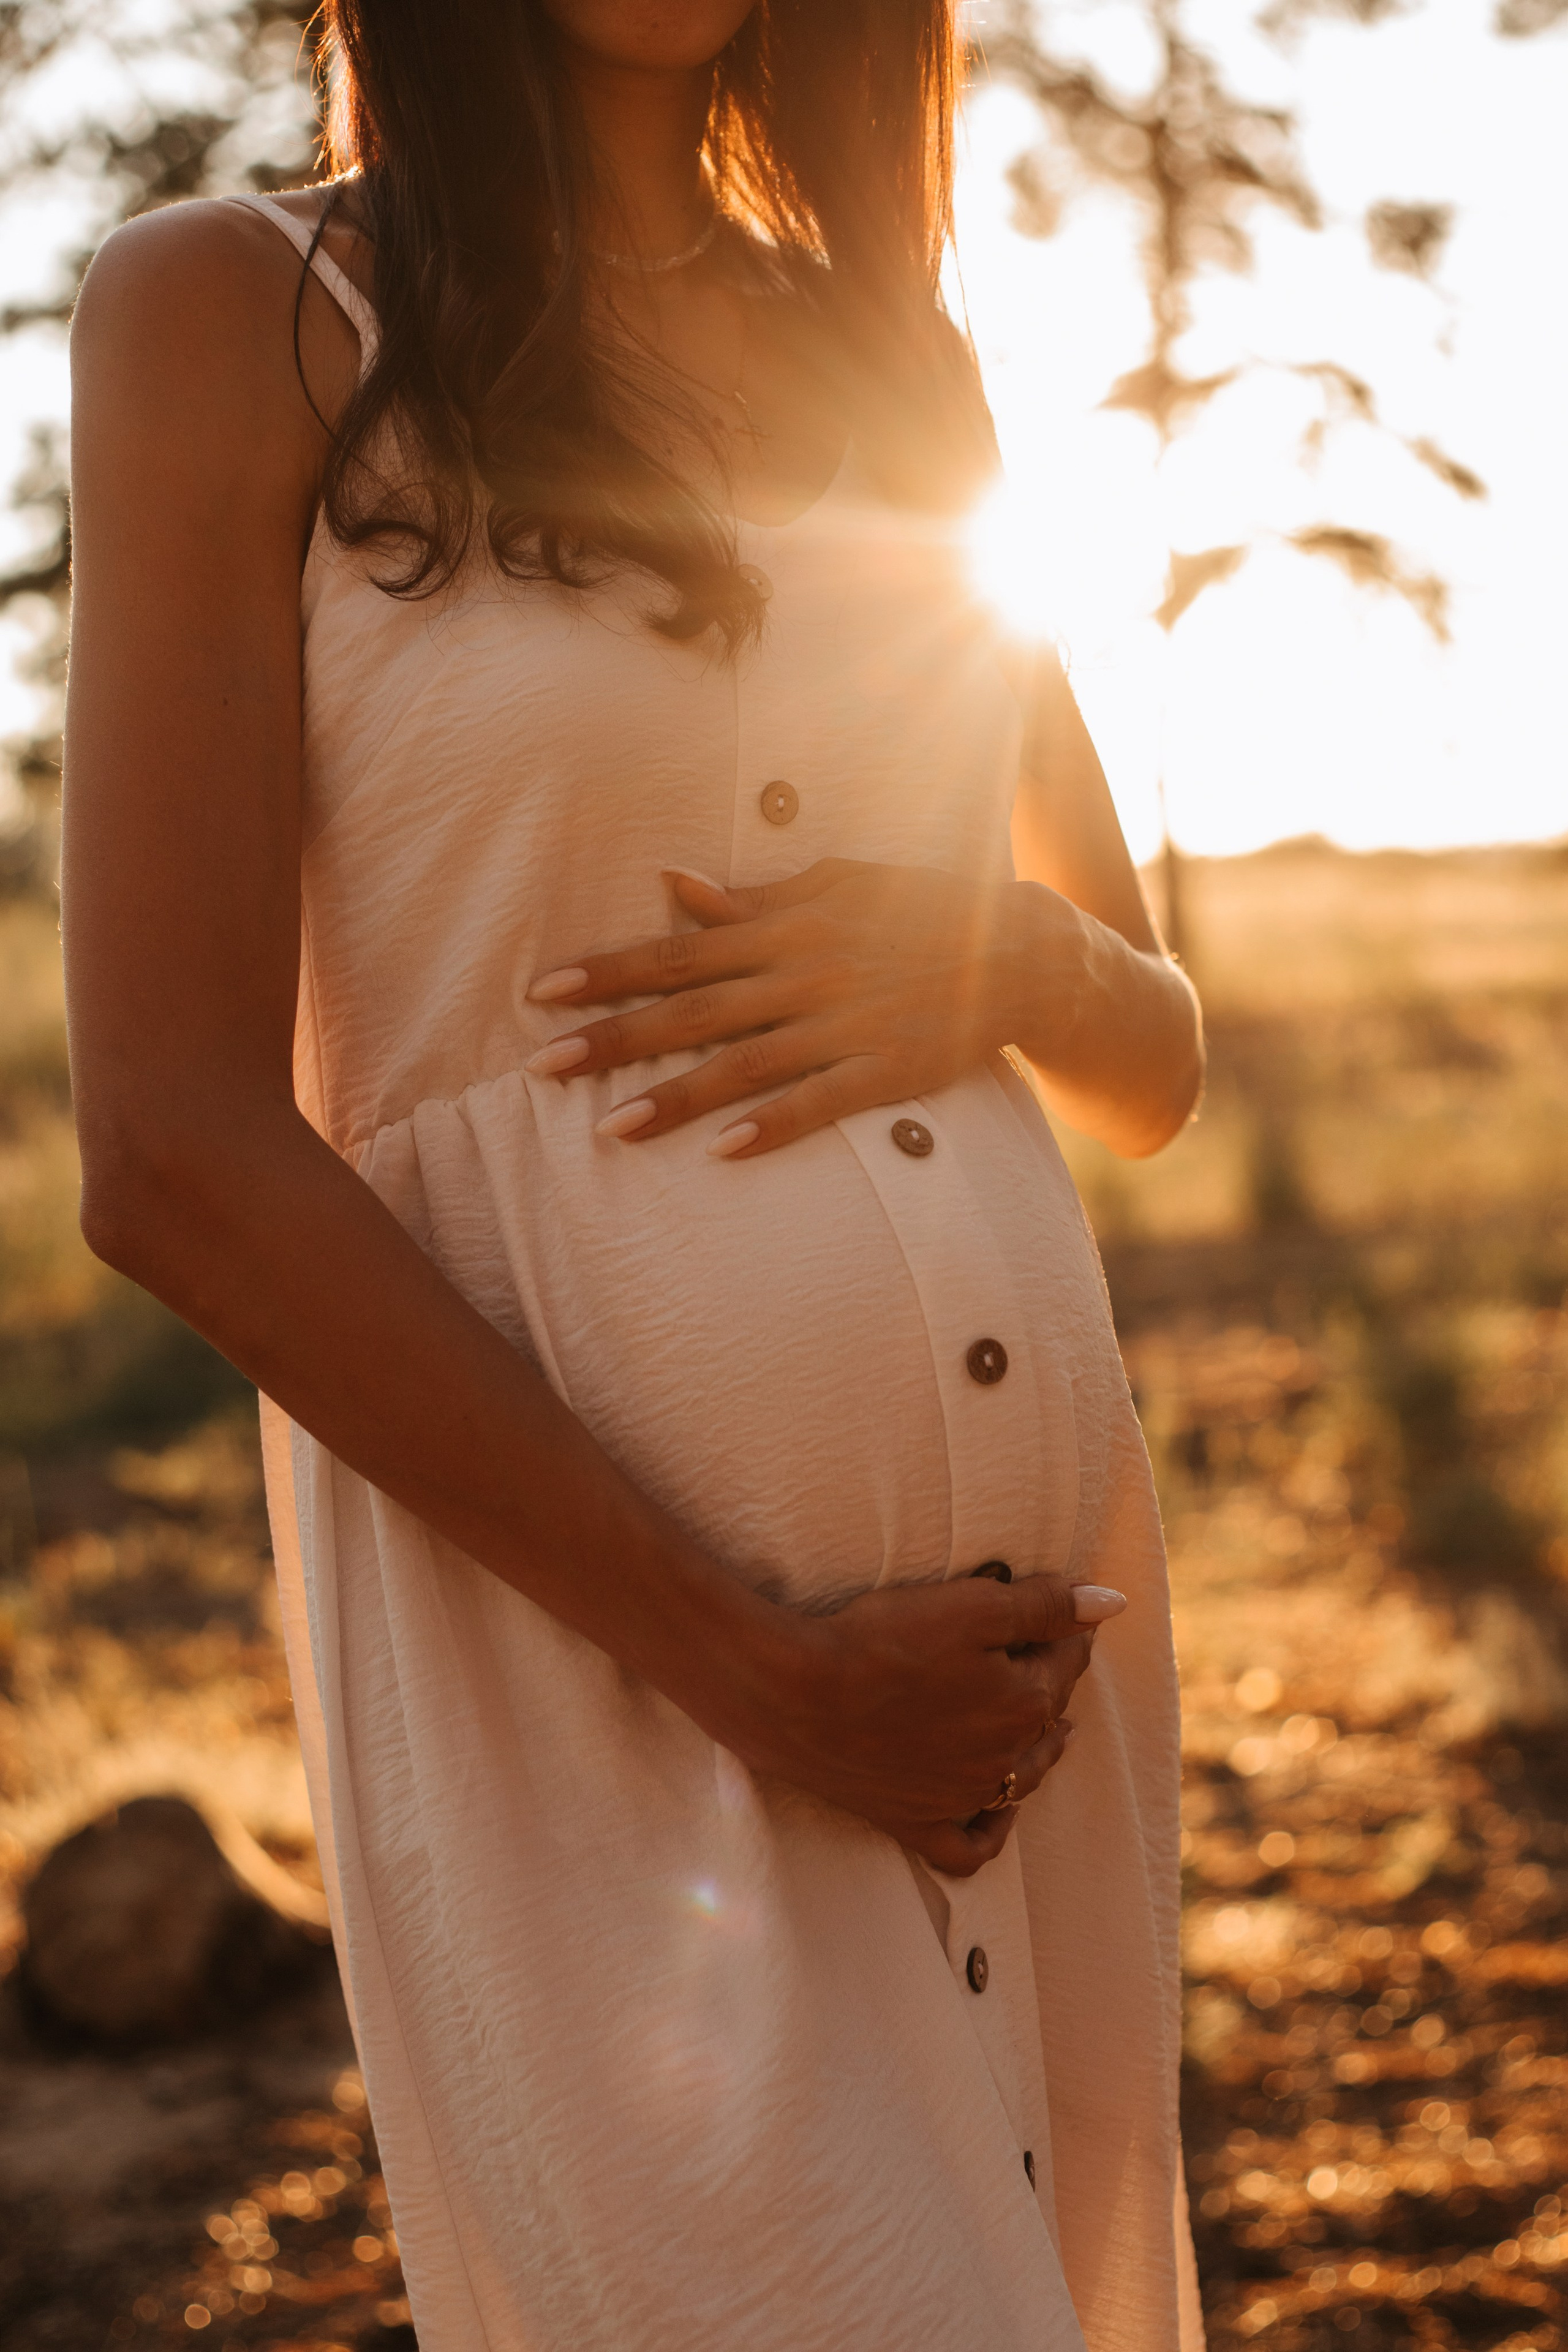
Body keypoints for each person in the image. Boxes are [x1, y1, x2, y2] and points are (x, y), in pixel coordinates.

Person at [61, 0, 1207, 2343]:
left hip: (1028, 1681)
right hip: (611, 1676)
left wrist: (1007, 957)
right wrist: (754, 1670)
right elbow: (169, 1150)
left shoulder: (903, 360)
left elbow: (1157, 1047)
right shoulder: (236, 317)